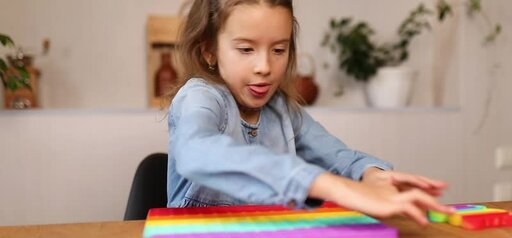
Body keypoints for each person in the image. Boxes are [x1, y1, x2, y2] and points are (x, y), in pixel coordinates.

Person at [167, 0, 454, 225]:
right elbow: (196, 150)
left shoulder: (281, 110)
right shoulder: (199, 96)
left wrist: (373, 176)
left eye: (278, 50)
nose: (265, 66)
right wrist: (322, 184)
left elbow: (342, 159)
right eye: (246, 49)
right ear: (209, 51)